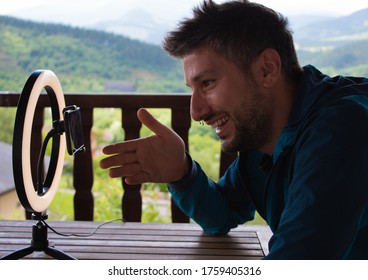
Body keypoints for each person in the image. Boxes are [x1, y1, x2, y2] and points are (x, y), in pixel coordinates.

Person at [99, 0, 368, 259]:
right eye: (192, 89)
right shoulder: (265, 136)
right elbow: (223, 212)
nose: (196, 112)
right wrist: (181, 173)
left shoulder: (341, 130)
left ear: (266, 70)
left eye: (207, 83)